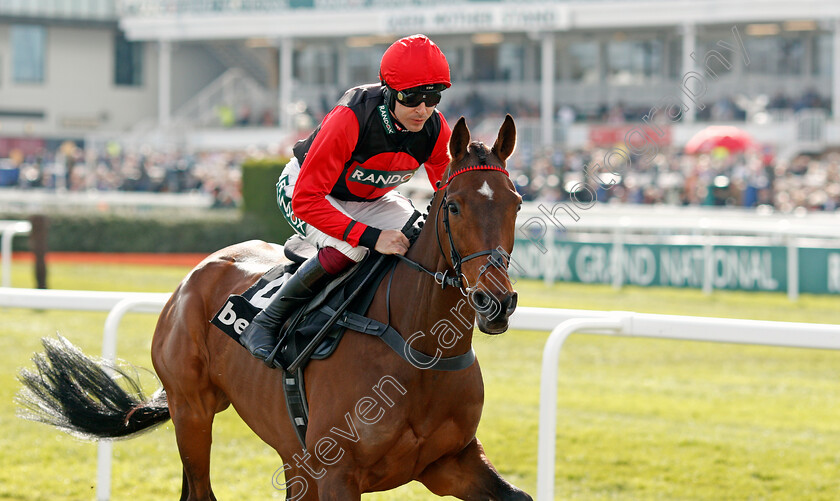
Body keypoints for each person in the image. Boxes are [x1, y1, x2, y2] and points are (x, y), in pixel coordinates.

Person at [240, 34, 453, 363]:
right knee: (351, 247)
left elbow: (450, 190)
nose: (423, 109)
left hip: (371, 201)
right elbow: (307, 200)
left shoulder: (435, 129)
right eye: (411, 97)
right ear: (389, 90)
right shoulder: (351, 117)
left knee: (419, 234)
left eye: (433, 97)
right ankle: (265, 323)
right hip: (308, 192)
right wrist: (372, 236)